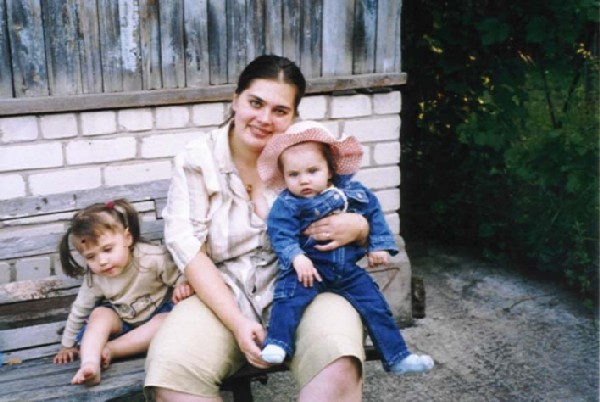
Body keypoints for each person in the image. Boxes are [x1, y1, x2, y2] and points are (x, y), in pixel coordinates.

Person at [144, 55, 371, 402]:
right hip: (221, 293)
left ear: (294, 116)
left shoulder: (307, 153)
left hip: (307, 285)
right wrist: (238, 322)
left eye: (280, 111)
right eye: (255, 103)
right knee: (172, 374)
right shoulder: (197, 159)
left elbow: (354, 205)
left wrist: (359, 228)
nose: (264, 119)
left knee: (340, 362)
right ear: (236, 99)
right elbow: (188, 249)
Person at [257, 120, 435, 375]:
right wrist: (296, 257)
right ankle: (278, 342)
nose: (304, 180)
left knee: (376, 305)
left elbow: (375, 215)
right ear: (284, 177)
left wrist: (378, 246)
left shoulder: (355, 193)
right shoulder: (287, 203)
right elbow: (280, 233)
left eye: (312, 171)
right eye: (293, 175)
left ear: (330, 170)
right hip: (309, 269)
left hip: (347, 271)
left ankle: (398, 356)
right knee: (288, 299)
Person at [53, 199, 194, 386]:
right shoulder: (95, 278)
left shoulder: (152, 257)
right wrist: (67, 345)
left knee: (169, 320)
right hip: (123, 319)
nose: (102, 261)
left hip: (157, 315)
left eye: (108, 249)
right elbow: (79, 310)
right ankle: (89, 364)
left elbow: (180, 274)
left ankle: (111, 349)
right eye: (91, 257)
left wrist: (182, 284)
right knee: (99, 314)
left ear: (127, 238)